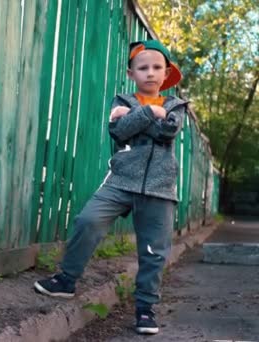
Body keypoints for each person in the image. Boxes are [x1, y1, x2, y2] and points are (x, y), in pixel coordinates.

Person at [33, 39, 187, 335]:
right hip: (120, 181)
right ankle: (66, 280)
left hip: (160, 188)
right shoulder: (122, 101)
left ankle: (145, 309)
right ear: (132, 74)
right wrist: (148, 114)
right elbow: (119, 131)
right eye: (143, 68)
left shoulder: (175, 106)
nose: (150, 73)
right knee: (88, 220)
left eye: (157, 68)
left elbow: (168, 131)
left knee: (154, 251)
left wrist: (147, 117)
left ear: (166, 74)